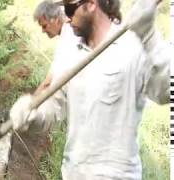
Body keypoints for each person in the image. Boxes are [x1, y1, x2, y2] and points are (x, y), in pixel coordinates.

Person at [9, 0, 171, 179]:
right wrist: (31, 115)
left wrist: (149, 37)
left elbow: (165, 91)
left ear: (92, 4)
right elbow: (54, 107)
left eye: (70, 9)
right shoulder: (72, 51)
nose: (67, 18)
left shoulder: (131, 47)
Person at [33, 0, 76, 95]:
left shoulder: (69, 37)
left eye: (44, 26)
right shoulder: (67, 34)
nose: (43, 31)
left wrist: (31, 103)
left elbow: (49, 81)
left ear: (56, 19)